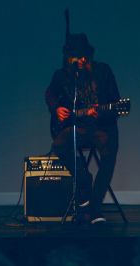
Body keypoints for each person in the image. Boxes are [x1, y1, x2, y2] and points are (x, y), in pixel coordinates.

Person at [45, 33, 120, 224]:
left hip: (101, 128)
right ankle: (84, 182)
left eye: (83, 56)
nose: (80, 60)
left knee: (109, 153)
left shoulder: (103, 71)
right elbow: (50, 93)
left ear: (89, 55)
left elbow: (116, 104)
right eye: (75, 57)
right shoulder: (61, 75)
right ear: (68, 58)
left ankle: (95, 207)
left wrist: (101, 113)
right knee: (60, 144)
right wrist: (56, 109)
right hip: (78, 128)